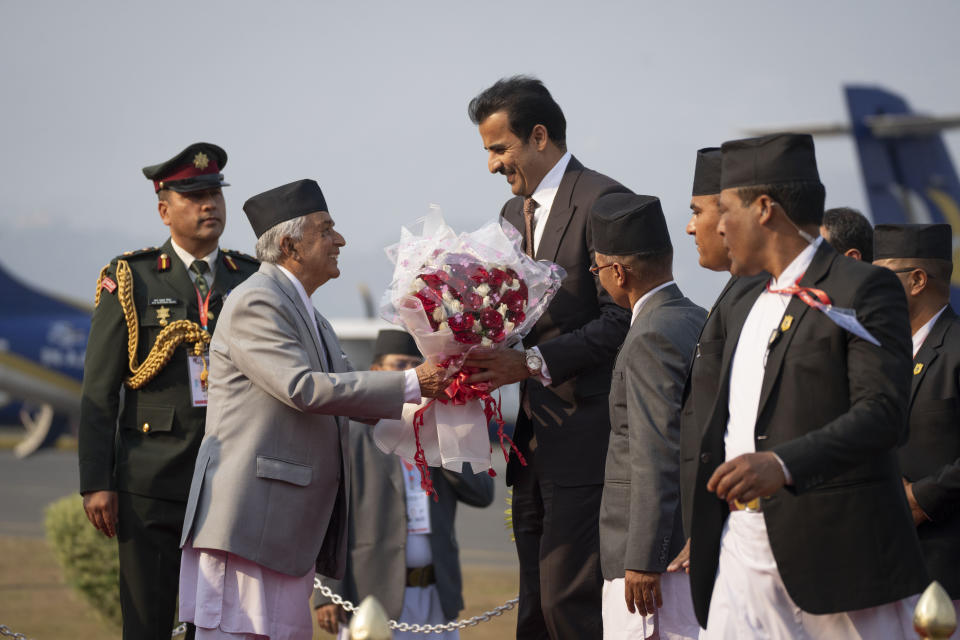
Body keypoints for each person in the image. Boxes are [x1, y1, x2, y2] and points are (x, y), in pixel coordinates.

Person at [176, 179, 452, 640]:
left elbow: (354, 399)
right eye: (326, 230)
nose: (339, 240)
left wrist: (447, 397)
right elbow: (304, 389)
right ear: (289, 245)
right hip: (248, 525)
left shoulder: (310, 314)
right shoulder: (257, 300)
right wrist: (412, 381)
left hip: (282, 532)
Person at [689, 133, 928, 638]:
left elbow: (884, 413)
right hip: (743, 551)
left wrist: (782, 464)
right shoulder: (751, 301)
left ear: (764, 209)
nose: (716, 225)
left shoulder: (861, 288)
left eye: (724, 209)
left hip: (836, 557)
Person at [464, 75, 631, 639]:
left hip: (587, 439)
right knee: (534, 611)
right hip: (532, 444)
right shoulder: (513, 215)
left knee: (570, 605)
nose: (491, 165)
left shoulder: (604, 201)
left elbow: (622, 319)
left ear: (539, 136)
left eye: (498, 149)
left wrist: (531, 363)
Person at [78, 142, 259, 640]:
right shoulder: (130, 278)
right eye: (194, 195)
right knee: (148, 621)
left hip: (232, 480)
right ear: (164, 210)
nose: (209, 205)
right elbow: (99, 391)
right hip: (151, 482)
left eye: (215, 194)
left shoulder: (250, 277)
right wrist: (98, 480)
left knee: (224, 623)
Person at [313, 329, 496, 639]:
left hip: (436, 593)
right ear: (376, 373)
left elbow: (482, 494)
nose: (412, 375)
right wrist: (327, 593)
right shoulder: (355, 434)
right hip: (373, 598)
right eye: (400, 366)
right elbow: (332, 517)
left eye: (417, 365)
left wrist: (444, 438)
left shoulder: (436, 431)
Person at [591, 193, 704, 640]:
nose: (599, 281)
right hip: (688, 546)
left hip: (655, 568)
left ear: (618, 272)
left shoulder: (649, 335)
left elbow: (655, 451)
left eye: (597, 270)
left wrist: (644, 557)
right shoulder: (697, 317)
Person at [668, 148, 764, 575]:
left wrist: (716, 521)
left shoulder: (758, 295)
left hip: (743, 526)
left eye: (698, 211)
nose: (691, 227)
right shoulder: (737, 291)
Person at [873, 223, 960, 614]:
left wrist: (921, 498)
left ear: (917, 280)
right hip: (877, 571)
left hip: (944, 574)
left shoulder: (956, 348)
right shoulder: (875, 353)